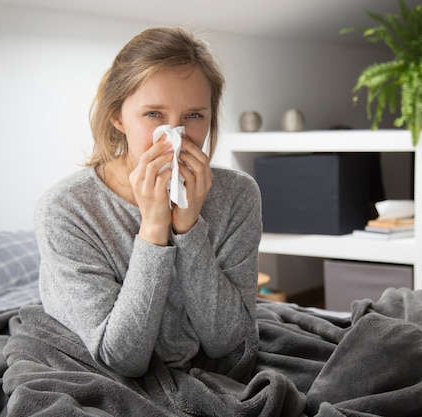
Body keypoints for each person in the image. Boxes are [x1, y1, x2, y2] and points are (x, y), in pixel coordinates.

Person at [34, 27, 262, 379]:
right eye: (153, 114)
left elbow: (227, 343)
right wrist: (155, 227)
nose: (176, 135)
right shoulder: (66, 209)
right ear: (117, 116)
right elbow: (122, 358)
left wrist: (188, 228)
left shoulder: (238, 194)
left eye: (194, 116)